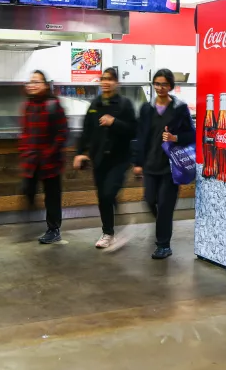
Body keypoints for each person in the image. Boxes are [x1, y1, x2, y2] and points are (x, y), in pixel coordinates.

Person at [134, 69, 195, 260]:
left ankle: (163, 245)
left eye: (164, 84)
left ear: (170, 86)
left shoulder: (179, 109)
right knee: (150, 200)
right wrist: (138, 162)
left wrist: (176, 137)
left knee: (165, 205)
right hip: (151, 164)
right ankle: (162, 225)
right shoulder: (146, 109)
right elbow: (140, 137)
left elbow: (191, 135)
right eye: (157, 84)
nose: (160, 88)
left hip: (171, 166)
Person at [74, 68, 137, 250]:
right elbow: (86, 131)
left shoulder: (125, 104)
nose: (106, 82)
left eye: (110, 79)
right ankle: (108, 233)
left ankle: (115, 225)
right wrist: (81, 152)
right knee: (103, 197)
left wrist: (114, 122)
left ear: (116, 83)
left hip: (119, 159)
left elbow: (134, 129)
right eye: (103, 79)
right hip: (99, 159)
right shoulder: (95, 104)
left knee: (109, 193)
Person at [19, 71, 69, 244]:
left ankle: (53, 230)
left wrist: (50, 152)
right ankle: (30, 221)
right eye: (30, 81)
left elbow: (62, 133)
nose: (32, 85)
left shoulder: (53, 105)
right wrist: (26, 150)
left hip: (51, 162)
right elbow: (25, 131)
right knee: (27, 190)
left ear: (45, 85)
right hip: (32, 160)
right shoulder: (28, 105)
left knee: (52, 197)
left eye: (36, 82)